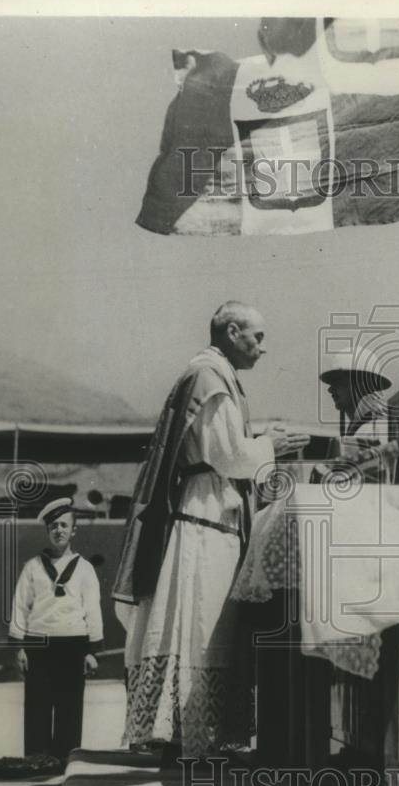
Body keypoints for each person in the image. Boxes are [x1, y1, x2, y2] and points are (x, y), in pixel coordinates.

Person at [112, 301, 309, 761]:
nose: (263, 347)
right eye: (257, 337)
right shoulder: (210, 379)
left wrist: (259, 441)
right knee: (203, 622)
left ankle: (191, 733)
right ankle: (191, 736)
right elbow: (228, 457)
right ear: (232, 331)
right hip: (205, 514)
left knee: (201, 622)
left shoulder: (212, 375)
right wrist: (269, 446)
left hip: (207, 509)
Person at [10, 498, 103, 759]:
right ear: (47, 531)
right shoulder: (33, 567)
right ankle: (36, 762)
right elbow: (20, 607)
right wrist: (20, 647)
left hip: (73, 646)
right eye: (53, 526)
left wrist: (92, 651)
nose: (58, 530)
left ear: (74, 530)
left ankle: (65, 764)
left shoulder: (85, 569)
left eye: (64, 525)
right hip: (39, 646)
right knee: (37, 708)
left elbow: (92, 610)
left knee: (70, 709)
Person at [318, 351, 396, 483]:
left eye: (338, 382)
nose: (330, 390)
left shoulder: (373, 429)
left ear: (361, 385)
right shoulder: (369, 426)